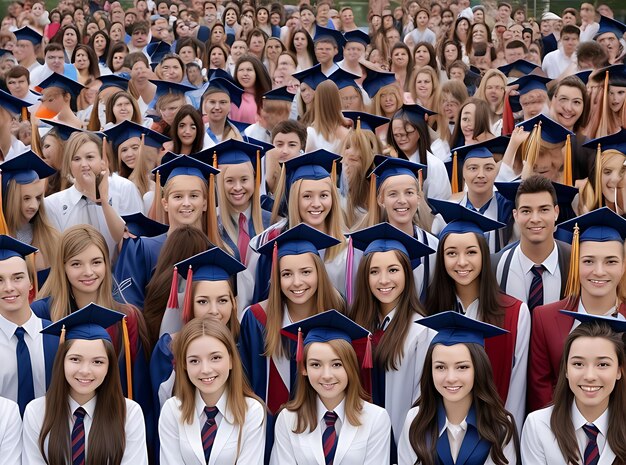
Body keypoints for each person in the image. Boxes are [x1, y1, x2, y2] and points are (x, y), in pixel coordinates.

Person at [426, 199, 530, 429]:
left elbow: (517, 388)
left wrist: (506, 437)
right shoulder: (428, 314)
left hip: (495, 432)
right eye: (451, 253)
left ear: (484, 255)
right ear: (441, 259)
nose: (462, 262)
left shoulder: (515, 314)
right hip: (440, 433)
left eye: (471, 252)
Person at [347, 223, 436, 453]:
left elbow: (422, 401)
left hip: (402, 442)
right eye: (374, 271)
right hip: (355, 446)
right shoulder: (353, 326)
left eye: (393, 270)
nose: (384, 280)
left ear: (407, 273)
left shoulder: (422, 332)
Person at [22, 303, 149, 464]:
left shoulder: (129, 414)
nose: (85, 371)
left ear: (110, 366)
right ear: (61, 361)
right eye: (75, 359)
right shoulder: (37, 412)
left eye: (97, 362)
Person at [239, 223, 345, 414]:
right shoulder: (255, 320)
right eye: (287, 274)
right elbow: (244, 383)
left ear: (319, 273)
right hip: (265, 428)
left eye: (306, 272)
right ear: (277, 278)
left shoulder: (337, 312)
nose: (297, 282)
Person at [528, 207, 626, 412]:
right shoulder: (545, 318)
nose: (599, 272)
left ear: (623, 266)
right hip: (558, 432)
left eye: (611, 262)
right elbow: (540, 389)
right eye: (588, 261)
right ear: (575, 263)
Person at [271, 310, 392, 465]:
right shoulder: (288, 419)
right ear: (304, 369)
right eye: (316, 364)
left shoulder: (376, 419)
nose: (327, 375)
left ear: (350, 367)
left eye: (337, 364)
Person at [397, 312, 520, 465]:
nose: (450, 378)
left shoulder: (500, 426)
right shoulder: (415, 421)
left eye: (462, 367)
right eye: (440, 367)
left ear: (478, 369)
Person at [114, 155, 219, 310]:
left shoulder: (216, 254)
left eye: (194, 196)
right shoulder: (142, 249)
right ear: (165, 203)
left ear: (204, 203)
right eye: (178, 196)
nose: (186, 203)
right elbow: (130, 310)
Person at [522, 312, 626, 464]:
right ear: (565, 370)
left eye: (603, 364)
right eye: (578, 364)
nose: (590, 376)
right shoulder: (538, 425)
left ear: (619, 370)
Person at [159, 318, 266, 465]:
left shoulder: (252, 411)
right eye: (194, 361)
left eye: (215, 358)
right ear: (184, 365)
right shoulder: (172, 410)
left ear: (231, 360)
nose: (206, 370)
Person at [44, 132, 143, 257]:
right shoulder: (52, 204)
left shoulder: (124, 188)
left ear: (102, 160)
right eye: (76, 159)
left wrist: (103, 201)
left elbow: (123, 238)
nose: (84, 165)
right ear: (69, 164)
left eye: (90, 157)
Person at [0, 236, 59, 416]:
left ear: (31, 282)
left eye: (17, 278)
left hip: (49, 440)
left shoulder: (56, 336)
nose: (8, 287)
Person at [493, 175, 571, 308]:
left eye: (544, 210)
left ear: (556, 212)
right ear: (515, 215)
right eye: (526, 211)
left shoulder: (574, 262)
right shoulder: (495, 265)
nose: (535, 219)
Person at [433, 139, 514, 253]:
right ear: (463, 173)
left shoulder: (508, 208)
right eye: (473, 168)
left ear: (496, 172)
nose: (481, 175)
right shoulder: (448, 213)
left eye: (489, 168)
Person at [0, 151, 60, 272]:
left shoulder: (50, 237)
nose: (34, 205)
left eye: (38, 198)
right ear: (11, 198)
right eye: (26, 198)